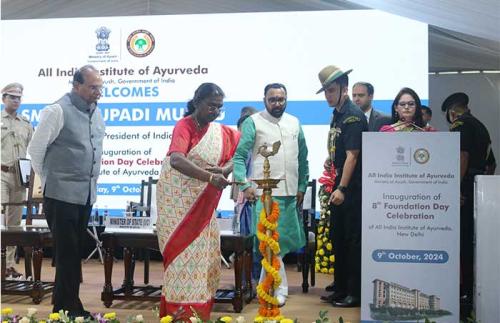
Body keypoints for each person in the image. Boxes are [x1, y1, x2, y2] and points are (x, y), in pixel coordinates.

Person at [156, 83, 240, 320]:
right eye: (211, 105)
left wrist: (224, 169)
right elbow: (176, 161)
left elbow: (242, 153)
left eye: (219, 107)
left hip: (203, 207)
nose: (215, 111)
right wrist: (210, 177)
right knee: (181, 258)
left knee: (202, 260)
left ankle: (198, 314)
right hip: (179, 206)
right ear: (197, 102)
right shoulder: (184, 126)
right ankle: (179, 315)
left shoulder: (221, 133)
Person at [28, 65, 105, 318]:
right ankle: (67, 307)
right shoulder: (57, 110)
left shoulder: (96, 111)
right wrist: (52, 180)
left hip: (85, 194)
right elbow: (36, 151)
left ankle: (66, 305)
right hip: (60, 195)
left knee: (75, 252)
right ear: (76, 85)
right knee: (66, 253)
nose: (98, 92)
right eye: (93, 87)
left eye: (100, 87)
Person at [233, 83, 309, 306]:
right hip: (263, 195)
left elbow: (303, 158)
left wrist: (302, 186)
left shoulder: (294, 122)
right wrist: (245, 185)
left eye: (281, 99)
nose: (278, 103)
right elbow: (239, 157)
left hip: (290, 193)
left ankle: (268, 286)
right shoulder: (253, 122)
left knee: (281, 243)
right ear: (264, 100)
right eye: (273, 99)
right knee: (268, 243)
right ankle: (278, 288)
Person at [441, 92, 496, 317]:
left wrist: (454, 188)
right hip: (478, 187)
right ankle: (471, 292)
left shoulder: (460, 125)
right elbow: (492, 163)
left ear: (453, 112)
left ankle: (464, 293)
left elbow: (461, 156)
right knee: (473, 242)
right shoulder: (481, 126)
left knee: (462, 242)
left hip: (462, 188)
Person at [316, 65, 367, 307]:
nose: (327, 95)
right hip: (338, 182)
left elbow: (353, 156)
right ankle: (340, 287)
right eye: (325, 91)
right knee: (337, 238)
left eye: (332, 90)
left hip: (352, 189)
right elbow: (339, 150)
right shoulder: (338, 113)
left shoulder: (353, 115)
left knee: (352, 240)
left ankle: (354, 292)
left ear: (344, 89)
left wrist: (342, 189)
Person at [1, 82, 33, 279]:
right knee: (1, 222)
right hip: (1, 174)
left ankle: (9, 265)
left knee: (13, 224)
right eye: (12, 97)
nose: (16, 100)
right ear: (3, 98)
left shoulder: (26, 124)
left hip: (20, 175)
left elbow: (30, 147)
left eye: (18, 97)